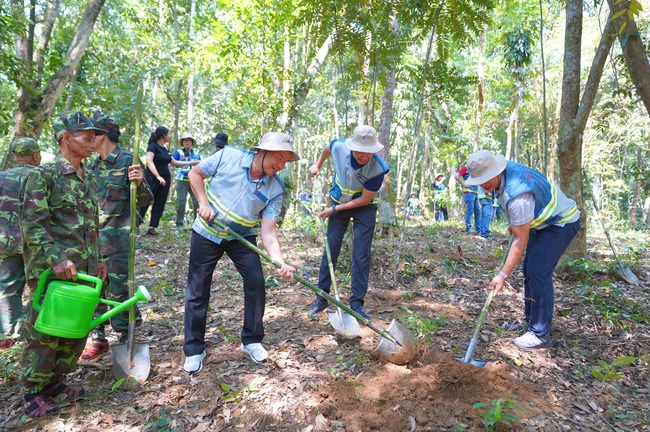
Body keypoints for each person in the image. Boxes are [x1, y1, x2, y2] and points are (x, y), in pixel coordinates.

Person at [182, 132, 298, 373]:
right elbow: (196, 173)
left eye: (285, 161)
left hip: (242, 238)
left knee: (256, 282)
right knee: (197, 289)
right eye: (278, 157)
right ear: (262, 151)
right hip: (207, 232)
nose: (280, 165)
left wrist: (279, 262)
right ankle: (194, 349)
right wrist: (203, 203)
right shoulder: (228, 156)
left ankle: (252, 340)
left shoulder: (276, 188)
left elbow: (268, 231)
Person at [20, 112, 108, 417]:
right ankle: (33, 391)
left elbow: (91, 225)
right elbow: (32, 225)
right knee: (46, 332)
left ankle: (55, 382)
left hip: (83, 271)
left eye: (95, 137)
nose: (93, 143)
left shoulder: (88, 176)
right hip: (52, 271)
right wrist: (56, 258)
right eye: (86, 137)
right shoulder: (43, 175)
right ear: (66, 138)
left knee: (75, 330)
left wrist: (98, 262)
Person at [463, 149, 580, 350]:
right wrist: (517, 223)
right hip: (541, 224)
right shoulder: (505, 178)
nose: (484, 185)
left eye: (487, 179)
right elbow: (519, 221)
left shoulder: (518, 194)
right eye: (480, 181)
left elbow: (519, 240)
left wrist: (502, 275)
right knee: (529, 270)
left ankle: (539, 333)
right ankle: (531, 323)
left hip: (561, 223)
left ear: (497, 171)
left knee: (538, 271)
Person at [80, 112, 153, 361]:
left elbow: (146, 200)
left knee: (121, 290)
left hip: (119, 241)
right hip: (93, 241)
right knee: (94, 288)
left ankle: (126, 337)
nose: (88, 140)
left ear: (102, 136)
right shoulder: (93, 165)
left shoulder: (128, 162)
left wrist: (140, 183)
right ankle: (98, 337)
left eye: (92, 135)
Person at [307, 125, 389, 322]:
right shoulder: (339, 147)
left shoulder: (378, 168)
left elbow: (363, 200)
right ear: (352, 147)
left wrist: (333, 210)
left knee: (361, 254)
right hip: (338, 200)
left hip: (364, 207)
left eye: (369, 152)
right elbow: (327, 148)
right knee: (331, 248)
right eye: (360, 150)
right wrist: (317, 164)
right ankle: (322, 296)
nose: (364, 156)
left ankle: (356, 304)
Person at [0, 138, 42, 349]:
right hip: (33, 244)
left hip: (6, 244)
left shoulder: (1, 178)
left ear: (15, 157)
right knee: (39, 288)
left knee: (8, 288)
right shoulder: (40, 176)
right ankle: (34, 333)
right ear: (36, 156)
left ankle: (7, 336)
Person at [138, 126, 172, 236]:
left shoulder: (165, 148)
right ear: (163, 135)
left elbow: (173, 161)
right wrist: (157, 176)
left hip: (165, 178)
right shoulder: (153, 146)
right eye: (168, 134)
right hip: (152, 178)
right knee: (146, 200)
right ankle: (135, 225)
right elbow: (148, 160)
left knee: (160, 202)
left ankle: (152, 227)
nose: (169, 136)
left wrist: (191, 163)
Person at [172, 132, 201, 227]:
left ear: (192, 142)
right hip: (182, 180)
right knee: (181, 202)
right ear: (182, 142)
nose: (187, 142)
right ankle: (179, 223)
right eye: (185, 140)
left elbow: (201, 164)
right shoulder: (178, 153)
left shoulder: (197, 153)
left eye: (188, 140)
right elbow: (171, 163)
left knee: (197, 201)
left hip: (194, 181)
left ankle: (197, 223)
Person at [454, 165, 480, 233]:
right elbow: (456, 176)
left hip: (475, 193)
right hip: (468, 192)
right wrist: (463, 184)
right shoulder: (465, 168)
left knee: (477, 211)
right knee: (469, 211)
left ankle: (478, 228)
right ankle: (468, 228)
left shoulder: (475, 169)